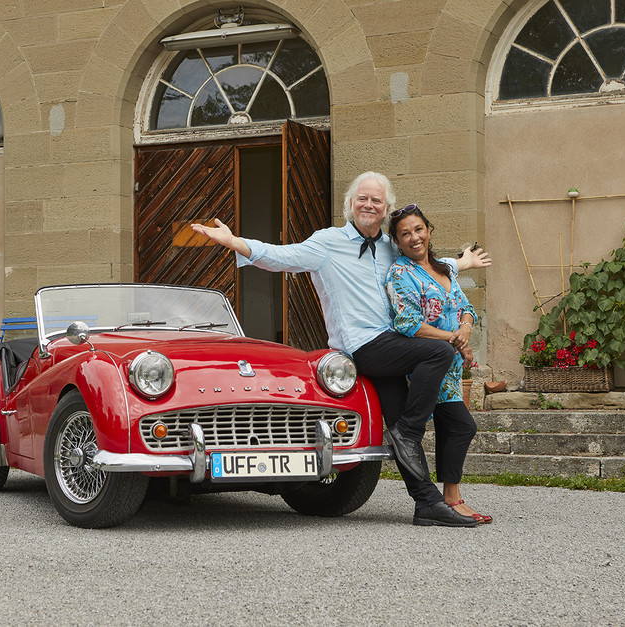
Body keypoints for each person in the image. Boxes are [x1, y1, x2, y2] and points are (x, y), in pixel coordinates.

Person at [191, 171, 488, 527]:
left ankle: (426, 503)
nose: (368, 204)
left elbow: (422, 262)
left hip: (394, 345)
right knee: (437, 354)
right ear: (350, 205)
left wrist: (462, 263)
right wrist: (234, 241)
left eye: (376, 200)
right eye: (362, 198)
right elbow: (281, 256)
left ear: (386, 209)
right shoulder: (327, 242)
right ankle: (412, 428)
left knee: (396, 423)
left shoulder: (391, 246)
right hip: (362, 346)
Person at [385, 203, 492, 524]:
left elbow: (466, 306)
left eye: (418, 229)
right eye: (405, 234)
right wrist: (452, 338)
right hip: (428, 369)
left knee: (453, 428)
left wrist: (465, 329)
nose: (413, 237)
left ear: (429, 231)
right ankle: (450, 499)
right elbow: (408, 323)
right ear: (397, 241)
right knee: (462, 425)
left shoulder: (444, 269)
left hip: (452, 368)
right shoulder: (400, 274)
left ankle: (450, 499)